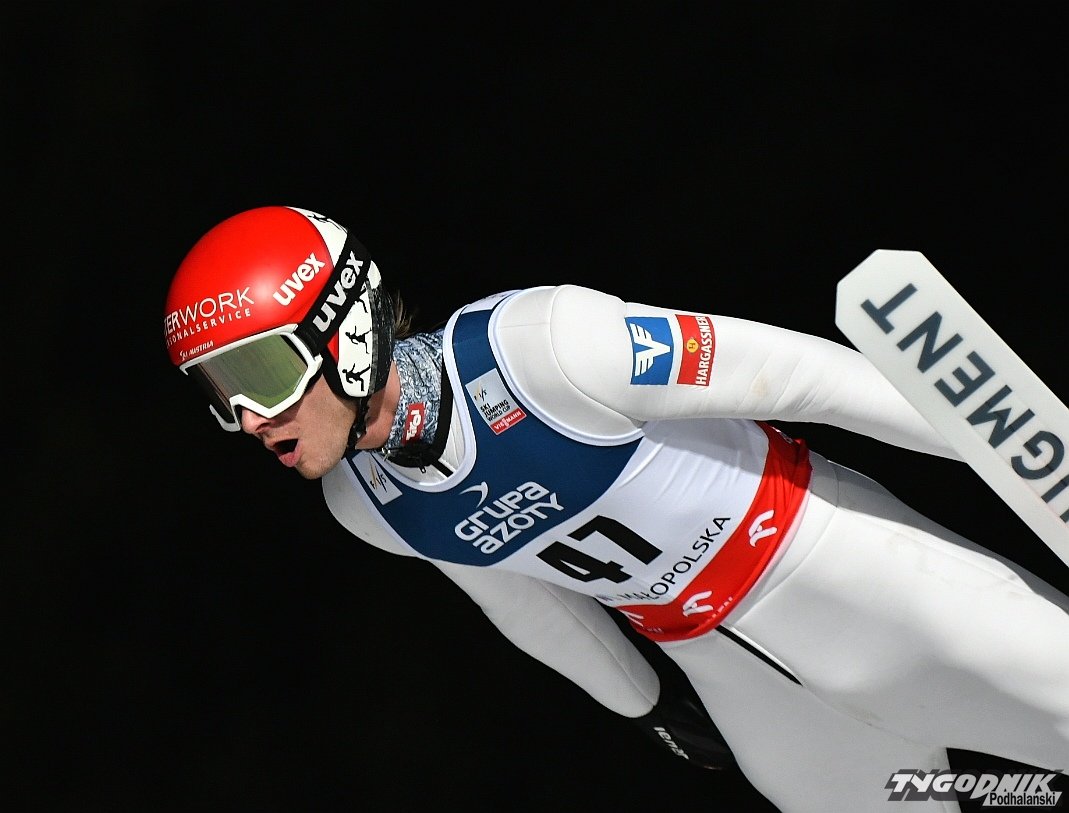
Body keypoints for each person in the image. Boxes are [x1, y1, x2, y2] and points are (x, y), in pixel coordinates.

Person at [164, 205, 1069, 812]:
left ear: (345, 329)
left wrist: (1023, 449)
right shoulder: (364, 502)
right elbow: (524, 604)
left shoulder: (543, 349)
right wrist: (646, 705)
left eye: (259, 372)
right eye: (217, 390)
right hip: (752, 693)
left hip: (849, 570)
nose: (247, 417)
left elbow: (812, 380)